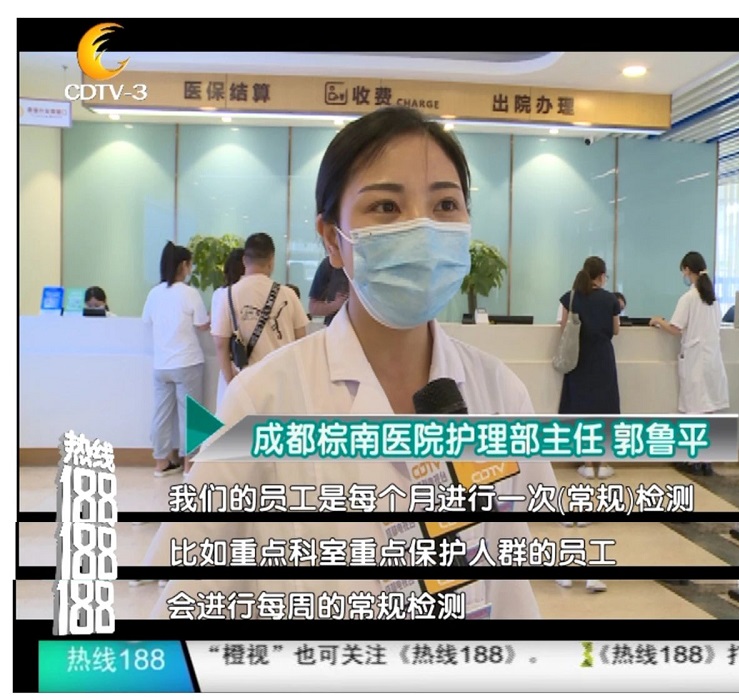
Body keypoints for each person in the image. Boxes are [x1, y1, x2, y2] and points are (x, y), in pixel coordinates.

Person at [143, 105, 558, 620]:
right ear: (331, 239)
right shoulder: (261, 401)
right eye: (385, 206)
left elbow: (508, 581)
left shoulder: (500, 394)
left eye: (446, 204)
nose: (421, 228)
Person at [649, 251, 730, 475]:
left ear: (687, 270)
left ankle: (693, 460)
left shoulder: (689, 298)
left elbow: (676, 328)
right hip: (712, 360)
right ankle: (705, 461)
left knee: (694, 410)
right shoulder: (712, 299)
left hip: (696, 361)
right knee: (708, 410)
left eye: (683, 271)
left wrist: (658, 321)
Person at [142, 242, 210, 477]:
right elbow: (201, 324)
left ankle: (161, 463)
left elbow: (147, 321)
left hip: (162, 365)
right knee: (191, 416)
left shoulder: (154, 293)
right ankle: (189, 465)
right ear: (183, 265)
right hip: (187, 362)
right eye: (190, 264)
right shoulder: (189, 293)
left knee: (161, 415)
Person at [211, 232, 308, 389]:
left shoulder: (228, 295)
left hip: (246, 382)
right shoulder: (289, 295)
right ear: (271, 260)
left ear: (244, 260)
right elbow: (301, 341)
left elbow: (220, 344)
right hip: (282, 380)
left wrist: (230, 381)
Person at [558, 256, 621, 480]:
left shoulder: (570, 297)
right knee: (605, 409)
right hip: (603, 359)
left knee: (581, 408)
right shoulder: (611, 300)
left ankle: (586, 463)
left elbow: (564, 327)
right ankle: (602, 464)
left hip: (578, 358)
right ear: (602, 276)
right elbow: (616, 330)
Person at [209, 248, 245, 411]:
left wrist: (229, 376)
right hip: (249, 359)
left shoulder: (219, 294)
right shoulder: (245, 293)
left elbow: (218, 337)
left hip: (229, 360)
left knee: (227, 410)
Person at [308, 255, 349, 326]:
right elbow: (313, 308)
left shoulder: (366, 264)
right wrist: (335, 305)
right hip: (336, 327)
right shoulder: (329, 263)